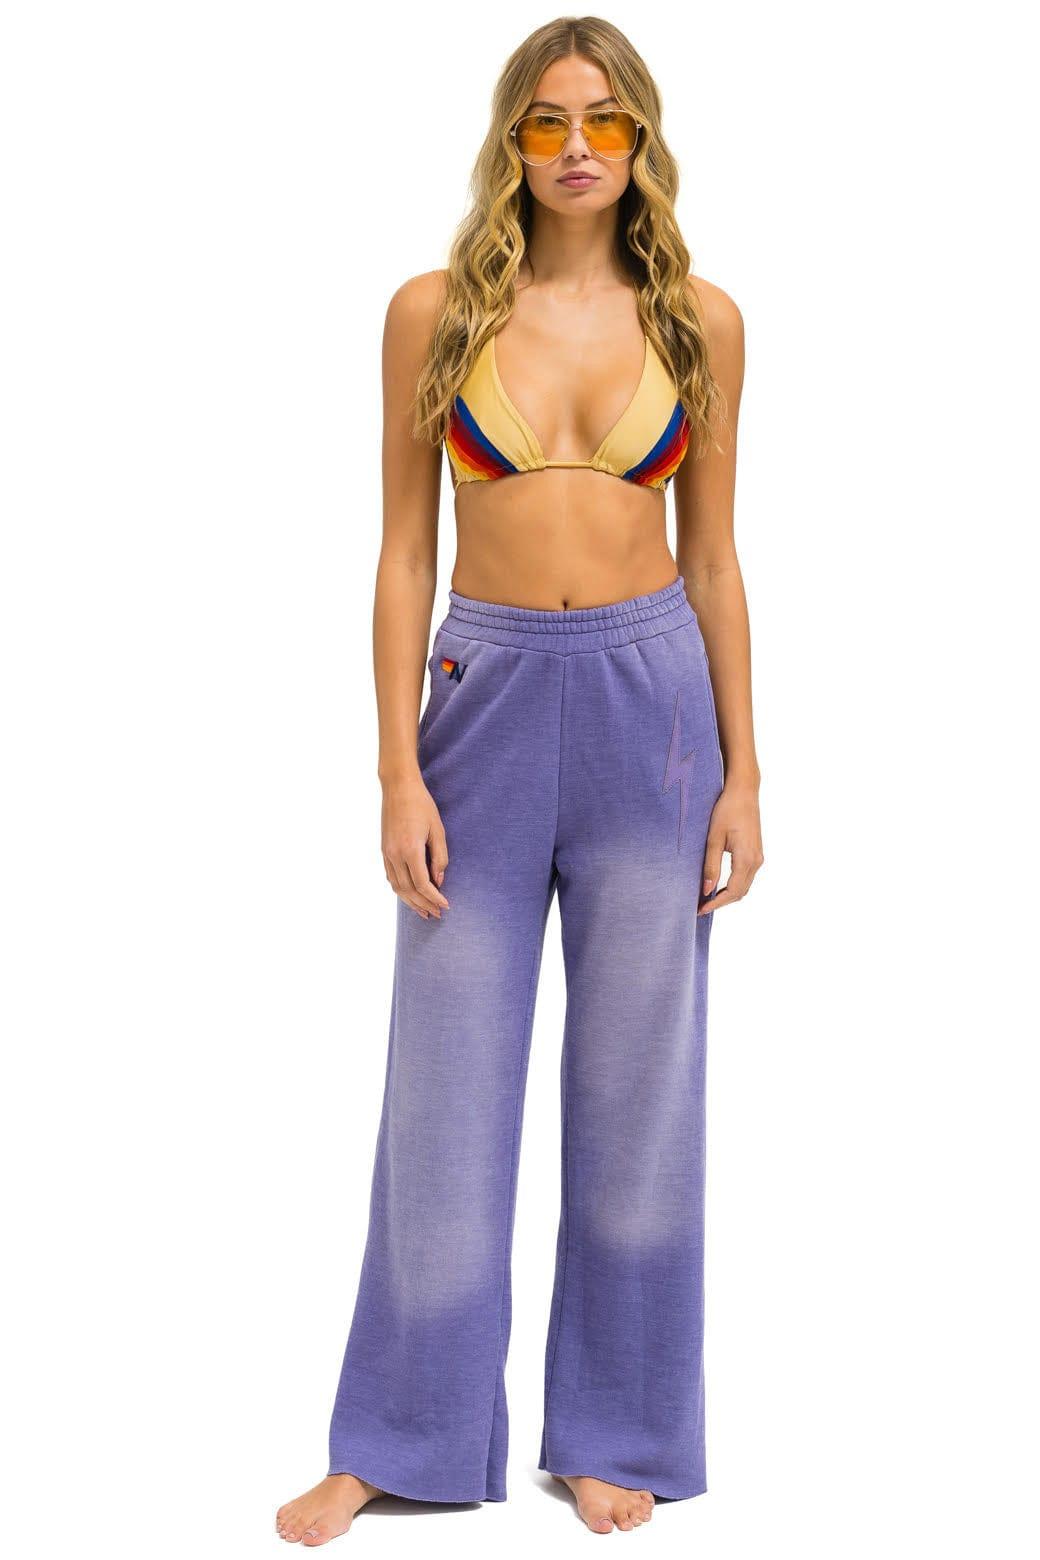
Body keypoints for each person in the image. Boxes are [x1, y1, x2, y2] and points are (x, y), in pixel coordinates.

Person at [276, 15, 763, 1546]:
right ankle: (403, 1437)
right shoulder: (432, 314)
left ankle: (618, 1431)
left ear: (641, 142)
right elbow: (402, 553)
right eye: (546, 121)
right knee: (444, 1085)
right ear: (511, 140)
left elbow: (716, 560)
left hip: (651, 708)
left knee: (639, 1089)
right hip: (477, 706)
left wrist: (747, 775)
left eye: (605, 122)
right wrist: (393, 769)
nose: (575, 148)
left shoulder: (700, 320)